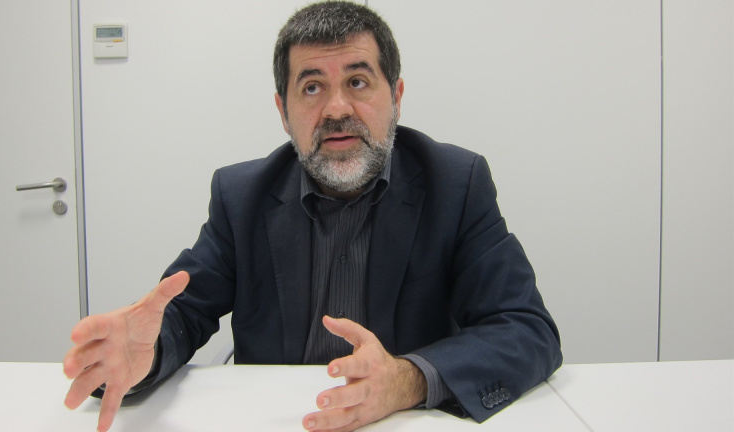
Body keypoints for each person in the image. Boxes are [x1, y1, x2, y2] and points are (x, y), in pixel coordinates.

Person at [63, 2, 563, 431]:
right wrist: (145, 355)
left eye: (358, 81)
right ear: (283, 111)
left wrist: (407, 380)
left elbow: (525, 328)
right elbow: (182, 311)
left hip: (405, 421)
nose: (336, 108)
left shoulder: (456, 184)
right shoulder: (241, 196)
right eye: (311, 88)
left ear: (396, 97)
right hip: (277, 420)